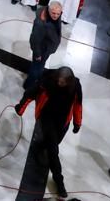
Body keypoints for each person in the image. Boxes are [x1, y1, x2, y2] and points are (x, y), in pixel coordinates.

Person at [14, 66, 83, 198]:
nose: (60, 83)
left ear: (69, 81)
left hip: (62, 123)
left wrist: (77, 123)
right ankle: (59, 182)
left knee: (52, 144)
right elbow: (30, 94)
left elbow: (78, 105)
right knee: (53, 151)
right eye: (59, 80)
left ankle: (41, 147)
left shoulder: (75, 86)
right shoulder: (47, 79)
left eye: (63, 81)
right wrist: (20, 109)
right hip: (46, 118)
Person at [26, 2, 63, 90]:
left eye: (58, 14)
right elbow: (35, 40)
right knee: (36, 68)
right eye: (54, 13)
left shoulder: (53, 15)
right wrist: (38, 54)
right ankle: (29, 85)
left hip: (47, 48)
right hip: (41, 50)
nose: (56, 16)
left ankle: (35, 80)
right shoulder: (40, 24)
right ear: (49, 10)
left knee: (40, 67)